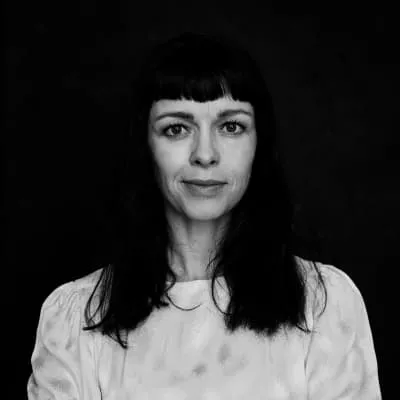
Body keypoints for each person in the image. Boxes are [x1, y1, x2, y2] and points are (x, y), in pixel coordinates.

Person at [27, 30, 381, 399]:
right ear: (145, 145)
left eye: (231, 126)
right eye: (176, 128)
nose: (205, 154)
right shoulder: (76, 317)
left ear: (258, 144)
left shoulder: (323, 304)